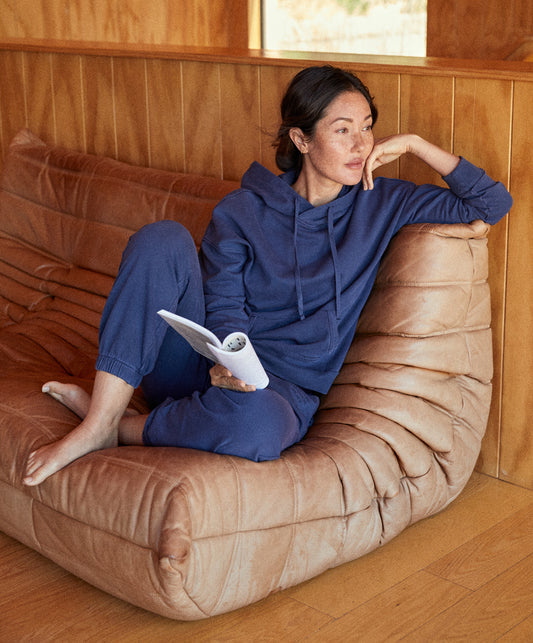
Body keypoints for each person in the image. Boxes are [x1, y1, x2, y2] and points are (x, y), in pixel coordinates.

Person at [23, 65, 512, 486]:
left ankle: (121, 429)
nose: (361, 144)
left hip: (277, 395)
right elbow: (224, 302)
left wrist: (416, 145)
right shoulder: (243, 210)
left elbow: (492, 202)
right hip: (202, 367)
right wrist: (228, 361)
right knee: (162, 238)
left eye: (368, 127)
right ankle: (98, 421)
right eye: (343, 130)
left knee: (258, 429)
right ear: (302, 139)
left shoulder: (383, 202)